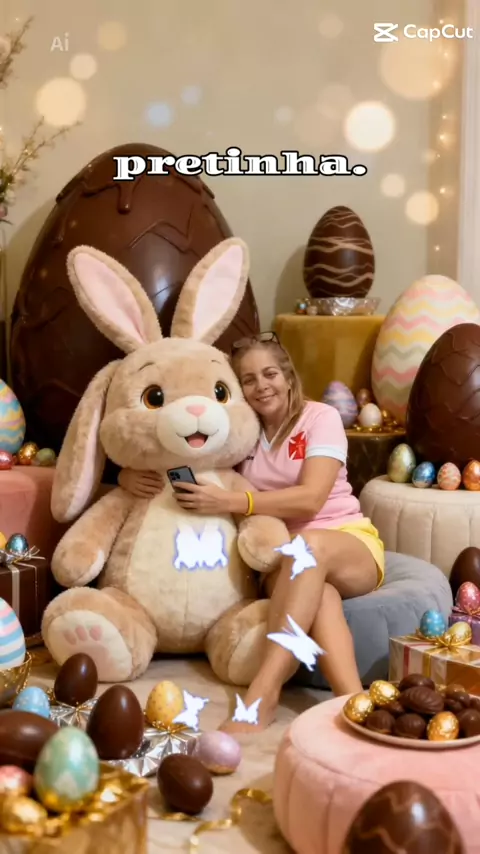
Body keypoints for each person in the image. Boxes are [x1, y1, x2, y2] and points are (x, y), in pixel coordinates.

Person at [118, 332, 384, 733]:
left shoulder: (320, 418)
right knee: (319, 593)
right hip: (283, 556)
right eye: (248, 379)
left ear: (288, 377)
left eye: (270, 374)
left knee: (309, 546)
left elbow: (311, 499)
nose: (261, 386)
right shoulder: (241, 434)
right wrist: (127, 476)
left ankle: (263, 694)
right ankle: (352, 705)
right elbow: (176, 454)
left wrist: (232, 502)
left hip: (346, 541)